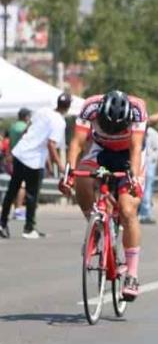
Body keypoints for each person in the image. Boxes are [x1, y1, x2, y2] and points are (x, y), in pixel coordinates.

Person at [60, 90, 147, 300]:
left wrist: (134, 179)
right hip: (101, 150)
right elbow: (77, 143)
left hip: (128, 155)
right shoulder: (90, 106)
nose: (113, 131)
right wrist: (68, 174)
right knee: (81, 178)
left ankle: (132, 275)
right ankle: (96, 225)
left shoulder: (137, 109)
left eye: (118, 127)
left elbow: (135, 148)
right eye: (107, 126)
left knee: (127, 210)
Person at [1, 95, 70, 239]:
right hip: (34, 161)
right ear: (68, 108)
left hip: (21, 153)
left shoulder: (43, 110)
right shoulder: (60, 122)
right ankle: (29, 228)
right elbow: (51, 144)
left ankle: (2, 223)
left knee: (12, 190)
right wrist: (61, 167)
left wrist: (21, 147)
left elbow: (27, 130)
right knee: (32, 195)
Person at [6, 108, 31, 219]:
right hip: (23, 157)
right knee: (22, 185)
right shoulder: (24, 127)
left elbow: (10, 142)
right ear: (26, 117)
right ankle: (18, 209)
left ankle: (14, 208)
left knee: (15, 184)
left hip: (13, 156)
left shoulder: (13, 126)